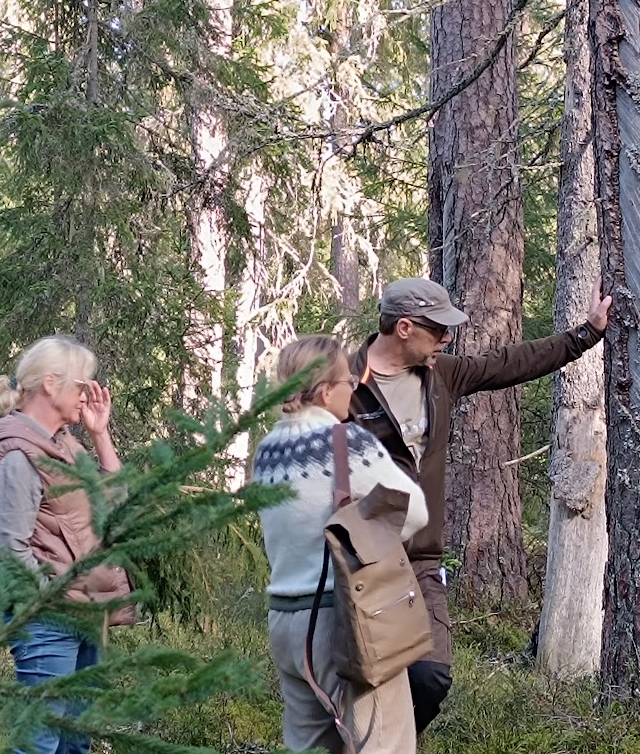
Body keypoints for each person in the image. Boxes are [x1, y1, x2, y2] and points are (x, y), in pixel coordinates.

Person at [348, 276, 612, 734]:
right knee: (365, 681)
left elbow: (508, 364)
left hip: (420, 562)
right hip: (360, 564)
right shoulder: (344, 385)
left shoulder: (442, 375)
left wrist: (585, 334)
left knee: (430, 677)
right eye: (439, 330)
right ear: (405, 327)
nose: (448, 338)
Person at [252, 335, 429, 754]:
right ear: (326, 390)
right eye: (348, 380)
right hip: (348, 619)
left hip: (286, 621)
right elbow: (416, 512)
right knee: (382, 744)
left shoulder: (266, 451)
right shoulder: (349, 443)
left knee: (309, 747)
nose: (355, 387)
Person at [0, 336, 133, 754]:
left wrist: (101, 435)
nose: (89, 393)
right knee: (39, 744)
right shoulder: (18, 456)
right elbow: (9, 551)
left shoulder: (64, 443)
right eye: (83, 384)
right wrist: (53, 601)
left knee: (75, 742)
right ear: (51, 383)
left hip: (84, 613)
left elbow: (115, 509)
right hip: (48, 621)